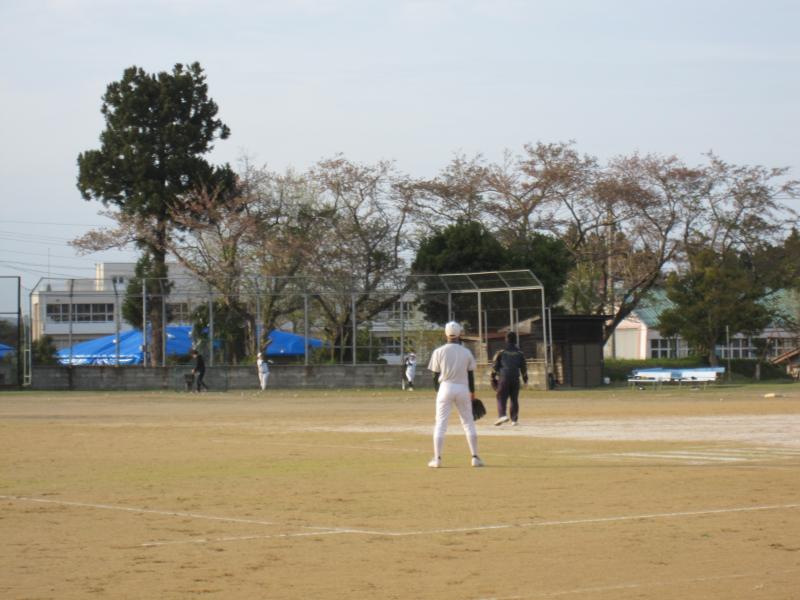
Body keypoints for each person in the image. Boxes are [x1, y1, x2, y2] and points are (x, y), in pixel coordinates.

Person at [426, 321, 483, 468]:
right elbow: (470, 375)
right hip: (463, 387)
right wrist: (472, 393)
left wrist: (438, 392)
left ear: (445, 334)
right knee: (468, 423)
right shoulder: (466, 352)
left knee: (441, 424)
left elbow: (435, 375)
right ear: (459, 334)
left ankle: (437, 459)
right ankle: (475, 457)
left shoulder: (439, 351)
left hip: (445, 387)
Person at [492, 331, 528, 426]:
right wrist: (525, 380)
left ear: (506, 340)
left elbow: (495, 367)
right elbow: (524, 368)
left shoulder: (501, 352)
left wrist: (492, 377)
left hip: (504, 377)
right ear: (515, 340)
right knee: (514, 398)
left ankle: (502, 415)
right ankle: (514, 420)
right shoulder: (520, 353)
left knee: (501, 397)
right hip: (515, 378)